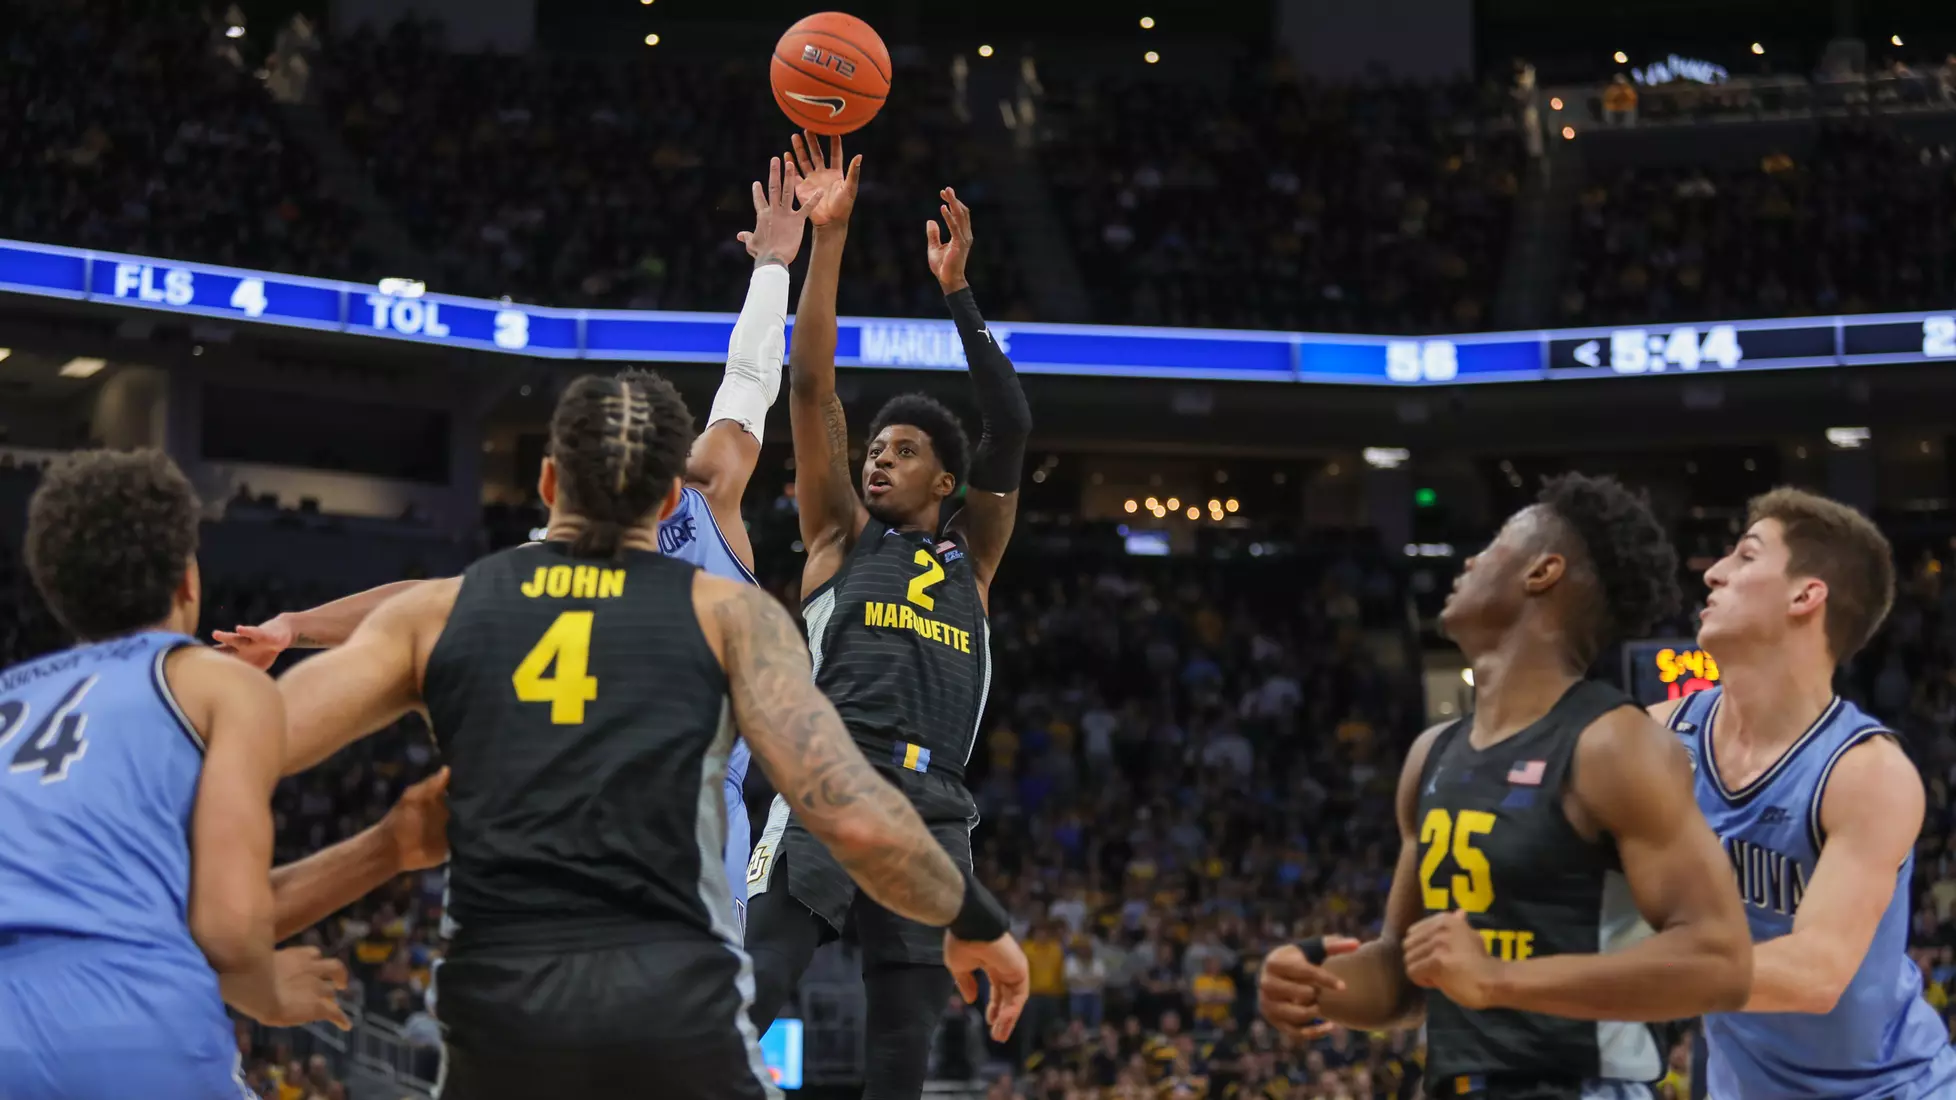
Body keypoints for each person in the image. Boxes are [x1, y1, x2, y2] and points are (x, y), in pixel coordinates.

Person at [265, 369, 1028, 1098]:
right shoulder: (736, 620)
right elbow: (853, 810)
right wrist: (972, 917)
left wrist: (386, 844)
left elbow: (244, 752)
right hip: (667, 1010)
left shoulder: (450, 611)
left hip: (505, 1009)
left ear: (548, 486)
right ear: (672, 498)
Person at [215, 153, 814, 933]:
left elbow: (411, 608)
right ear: (669, 481)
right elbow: (750, 376)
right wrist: (775, 265)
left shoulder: (519, 575)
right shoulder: (711, 496)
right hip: (690, 848)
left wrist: (296, 628)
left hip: (543, 860)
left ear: (550, 482)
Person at [1258, 473, 1753, 1099]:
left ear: (1541, 573)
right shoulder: (1430, 754)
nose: (1468, 560)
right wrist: (1314, 984)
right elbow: (1406, 977)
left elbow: (1721, 962)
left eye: (1492, 545)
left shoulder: (1612, 743)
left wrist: (1498, 980)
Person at [0, 449, 451, 1099]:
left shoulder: (12, 699)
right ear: (189, 580)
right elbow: (228, 926)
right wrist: (262, 990)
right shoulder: (213, 682)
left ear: (51, 586)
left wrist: (388, 845)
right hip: (131, 1027)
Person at [739, 131, 1033, 1100]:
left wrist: (958, 290)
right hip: (829, 777)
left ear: (945, 480)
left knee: (899, 1052)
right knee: (754, 992)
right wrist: (830, 242)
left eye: (901, 451)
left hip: (933, 805)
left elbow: (1013, 426)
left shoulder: (972, 555)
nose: (876, 459)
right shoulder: (837, 535)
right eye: (875, 448)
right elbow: (813, 384)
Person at [1653, 487, 1956, 1099]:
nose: (1713, 572)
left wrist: (1593, 979)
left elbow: (1815, 975)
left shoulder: (1865, 772)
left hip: (1889, 1090)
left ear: (1805, 594)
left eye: (1745, 556)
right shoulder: (1658, 736)